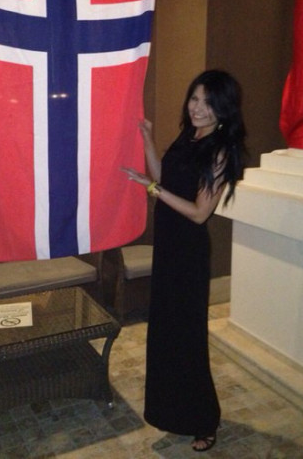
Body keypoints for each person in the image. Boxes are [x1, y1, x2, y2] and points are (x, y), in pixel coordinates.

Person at [122, 69, 247, 452]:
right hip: (168, 248)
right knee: (166, 334)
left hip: (188, 255)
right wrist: (147, 140)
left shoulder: (220, 151)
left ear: (223, 109)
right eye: (194, 98)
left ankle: (204, 419)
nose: (198, 108)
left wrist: (150, 188)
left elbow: (198, 212)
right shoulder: (189, 136)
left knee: (188, 339)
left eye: (208, 103)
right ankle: (173, 413)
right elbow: (166, 178)